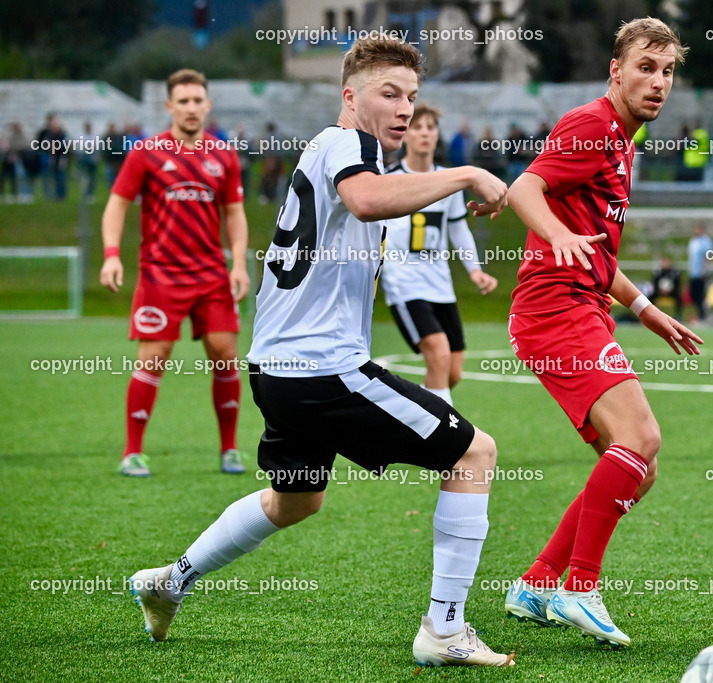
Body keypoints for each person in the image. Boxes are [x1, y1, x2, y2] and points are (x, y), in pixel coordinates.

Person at [126, 35, 515, 668]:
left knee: (297, 499)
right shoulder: (348, 147)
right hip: (321, 371)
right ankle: (444, 630)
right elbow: (365, 200)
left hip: (278, 371)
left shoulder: (337, 155)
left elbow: (374, 206)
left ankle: (171, 579)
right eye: (388, 94)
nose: (402, 109)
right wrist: (468, 172)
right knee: (474, 453)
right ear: (350, 95)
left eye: (411, 98)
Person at [502, 17, 702, 648]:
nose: (659, 82)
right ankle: (580, 587)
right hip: (553, 309)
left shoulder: (623, 138)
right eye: (646, 67)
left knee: (635, 471)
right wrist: (556, 236)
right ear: (616, 70)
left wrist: (643, 308)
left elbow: (597, 252)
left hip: (577, 305)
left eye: (668, 71)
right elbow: (523, 189)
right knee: (641, 436)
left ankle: (537, 582)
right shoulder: (593, 126)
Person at [99, 69, 250, 478]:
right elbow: (117, 205)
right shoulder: (145, 152)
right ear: (169, 107)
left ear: (208, 104)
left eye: (197, 100)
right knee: (154, 357)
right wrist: (112, 255)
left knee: (226, 353)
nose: (190, 107)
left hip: (211, 275)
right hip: (159, 275)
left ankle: (230, 449)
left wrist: (238, 262)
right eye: (182, 101)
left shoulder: (225, 155)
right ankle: (132, 452)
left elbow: (234, 214)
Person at [381, 104, 498, 405]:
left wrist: (475, 270)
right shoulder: (388, 179)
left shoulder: (449, 181)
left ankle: (410, 417)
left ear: (437, 136)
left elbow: (458, 230)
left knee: (453, 371)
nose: (424, 133)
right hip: (404, 283)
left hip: (440, 285)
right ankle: (446, 445)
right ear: (405, 134)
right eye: (417, 127)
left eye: (430, 127)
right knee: (438, 353)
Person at [687, 224, 713, 321]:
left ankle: (704, 316)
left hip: (702, 273)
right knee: (694, 295)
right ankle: (700, 314)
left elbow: (708, 257)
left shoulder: (706, 241)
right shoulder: (693, 241)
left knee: (701, 295)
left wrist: (704, 270)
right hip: (693, 273)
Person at [651, 253, 681, 319]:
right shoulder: (658, 273)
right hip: (659, 292)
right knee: (650, 298)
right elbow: (655, 284)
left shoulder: (675, 273)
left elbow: (678, 285)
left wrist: (669, 291)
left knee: (679, 299)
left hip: (671, 292)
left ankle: (678, 317)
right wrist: (661, 291)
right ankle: (651, 315)